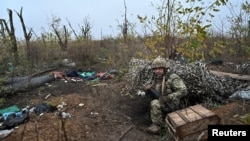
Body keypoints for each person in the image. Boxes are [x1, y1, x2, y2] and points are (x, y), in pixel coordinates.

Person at [144, 56, 187, 134]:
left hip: (170, 103)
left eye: (159, 69)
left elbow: (183, 90)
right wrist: (147, 88)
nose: (157, 71)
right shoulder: (154, 77)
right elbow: (147, 85)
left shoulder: (172, 77)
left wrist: (167, 98)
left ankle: (157, 126)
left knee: (155, 103)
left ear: (164, 68)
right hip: (160, 100)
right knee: (152, 102)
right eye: (155, 69)